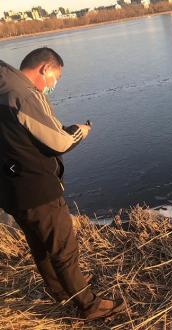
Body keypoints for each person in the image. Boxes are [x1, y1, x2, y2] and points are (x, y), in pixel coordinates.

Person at [0, 48, 125, 320]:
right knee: (63, 248)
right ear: (44, 68)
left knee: (40, 245)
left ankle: (61, 291)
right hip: (37, 188)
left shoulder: (4, 87)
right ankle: (89, 305)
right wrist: (80, 131)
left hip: (10, 187)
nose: (54, 85)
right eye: (55, 78)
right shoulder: (24, 95)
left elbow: (23, 135)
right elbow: (58, 142)